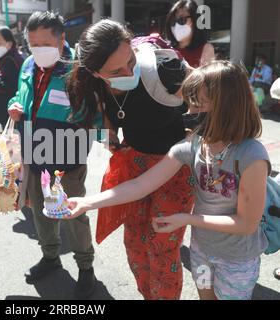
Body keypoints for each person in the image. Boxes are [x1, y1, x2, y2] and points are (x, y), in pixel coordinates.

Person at [68, 61, 270, 300]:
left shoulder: (251, 156)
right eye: (190, 103)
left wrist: (187, 218)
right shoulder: (193, 146)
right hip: (202, 252)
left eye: (199, 105)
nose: (189, 113)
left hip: (237, 259)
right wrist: (87, 202)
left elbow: (246, 224)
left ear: (228, 107)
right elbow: (141, 185)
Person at [66, 19, 194, 300]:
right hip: (134, 165)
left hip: (176, 166)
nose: (128, 71)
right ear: (95, 72)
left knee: (163, 248)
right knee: (135, 244)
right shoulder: (92, 84)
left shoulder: (164, 69)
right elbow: (102, 119)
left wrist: (193, 137)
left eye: (131, 60)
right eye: (116, 71)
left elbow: (211, 101)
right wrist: (109, 135)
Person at [8, 11, 100, 298]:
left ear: (62, 40)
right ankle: (50, 257)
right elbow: (19, 95)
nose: (38, 50)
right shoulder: (27, 64)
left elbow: (95, 118)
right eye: (32, 44)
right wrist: (14, 106)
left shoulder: (80, 69)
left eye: (45, 44)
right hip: (34, 154)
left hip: (66, 156)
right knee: (41, 214)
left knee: (72, 217)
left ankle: (86, 267)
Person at [0, 26, 23, 129]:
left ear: (9, 43)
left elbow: (8, 86)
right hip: (4, 114)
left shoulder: (10, 61)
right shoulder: (7, 58)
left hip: (6, 114)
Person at [165, 0, 215, 68]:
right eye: (173, 21)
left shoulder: (205, 49)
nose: (176, 25)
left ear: (195, 20)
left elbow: (206, 77)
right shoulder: (166, 48)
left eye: (181, 20)